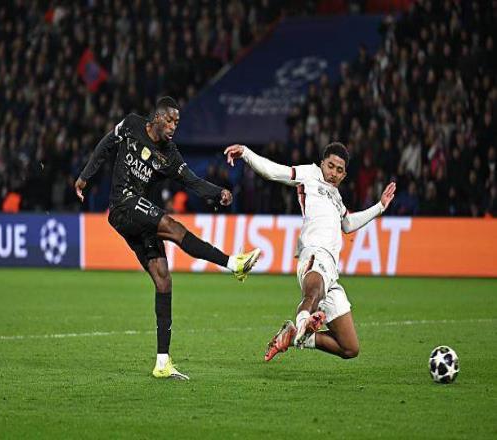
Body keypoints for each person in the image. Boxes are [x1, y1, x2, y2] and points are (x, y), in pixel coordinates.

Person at [75, 97, 260, 380]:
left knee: (163, 279)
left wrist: (217, 193)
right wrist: (85, 176)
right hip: (122, 204)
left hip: (137, 217)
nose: (174, 126)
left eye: (177, 122)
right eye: (171, 120)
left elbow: (192, 180)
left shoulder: (170, 155)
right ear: (158, 118)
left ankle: (162, 362)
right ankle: (233, 264)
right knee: (172, 226)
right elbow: (106, 144)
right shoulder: (132, 124)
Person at [224, 142, 395, 361]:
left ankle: (294, 335)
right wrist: (246, 153)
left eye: (339, 170)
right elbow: (273, 171)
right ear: (322, 163)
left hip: (332, 271)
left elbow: (348, 224)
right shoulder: (309, 174)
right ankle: (303, 321)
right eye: (330, 166)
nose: (333, 173)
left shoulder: (336, 197)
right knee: (313, 291)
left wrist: (380, 207)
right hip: (314, 253)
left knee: (350, 348)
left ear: (344, 175)